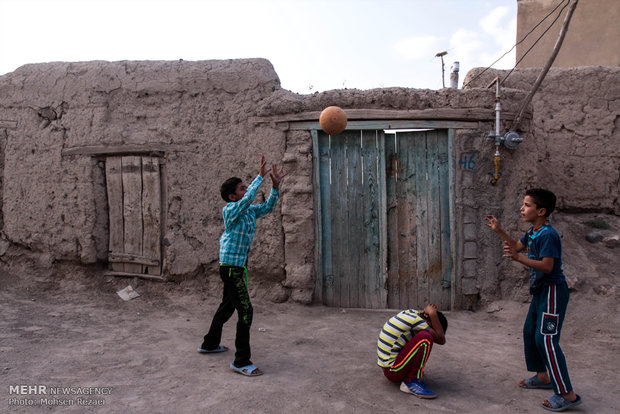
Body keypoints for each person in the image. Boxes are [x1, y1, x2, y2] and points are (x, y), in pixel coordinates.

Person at [486, 188, 582, 412]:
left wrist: (520, 259)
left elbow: (548, 266)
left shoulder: (548, 235)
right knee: (531, 333)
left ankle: (567, 393)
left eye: (527, 205)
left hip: (553, 293)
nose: (522, 208)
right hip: (541, 292)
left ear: (541, 211)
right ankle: (542, 376)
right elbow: (516, 246)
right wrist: (499, 231)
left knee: (546, 340)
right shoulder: (533, 231)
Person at [198, 154, 286, 377]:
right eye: (241, 189)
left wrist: (275, 187)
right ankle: (241, 361)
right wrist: (259, 177)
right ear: (231, 196)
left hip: (236, 267)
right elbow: (247, 200)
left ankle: (209, 344)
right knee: (245, 310)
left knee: (227, 306)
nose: (245, 191)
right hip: (230, 267)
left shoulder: (248, 211)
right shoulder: (230, 211)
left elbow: (267, 207)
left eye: (245, 187)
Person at [377, 303, 447, 399]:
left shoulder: (412, 313)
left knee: (420, 337)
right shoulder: (418, 321)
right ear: (429, 323)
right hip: (392, 371)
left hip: (390, 368)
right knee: (426, 337)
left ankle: (410, 375)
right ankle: (410, 381)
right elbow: (441, 339)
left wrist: (431, 314)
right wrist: (433, 314)